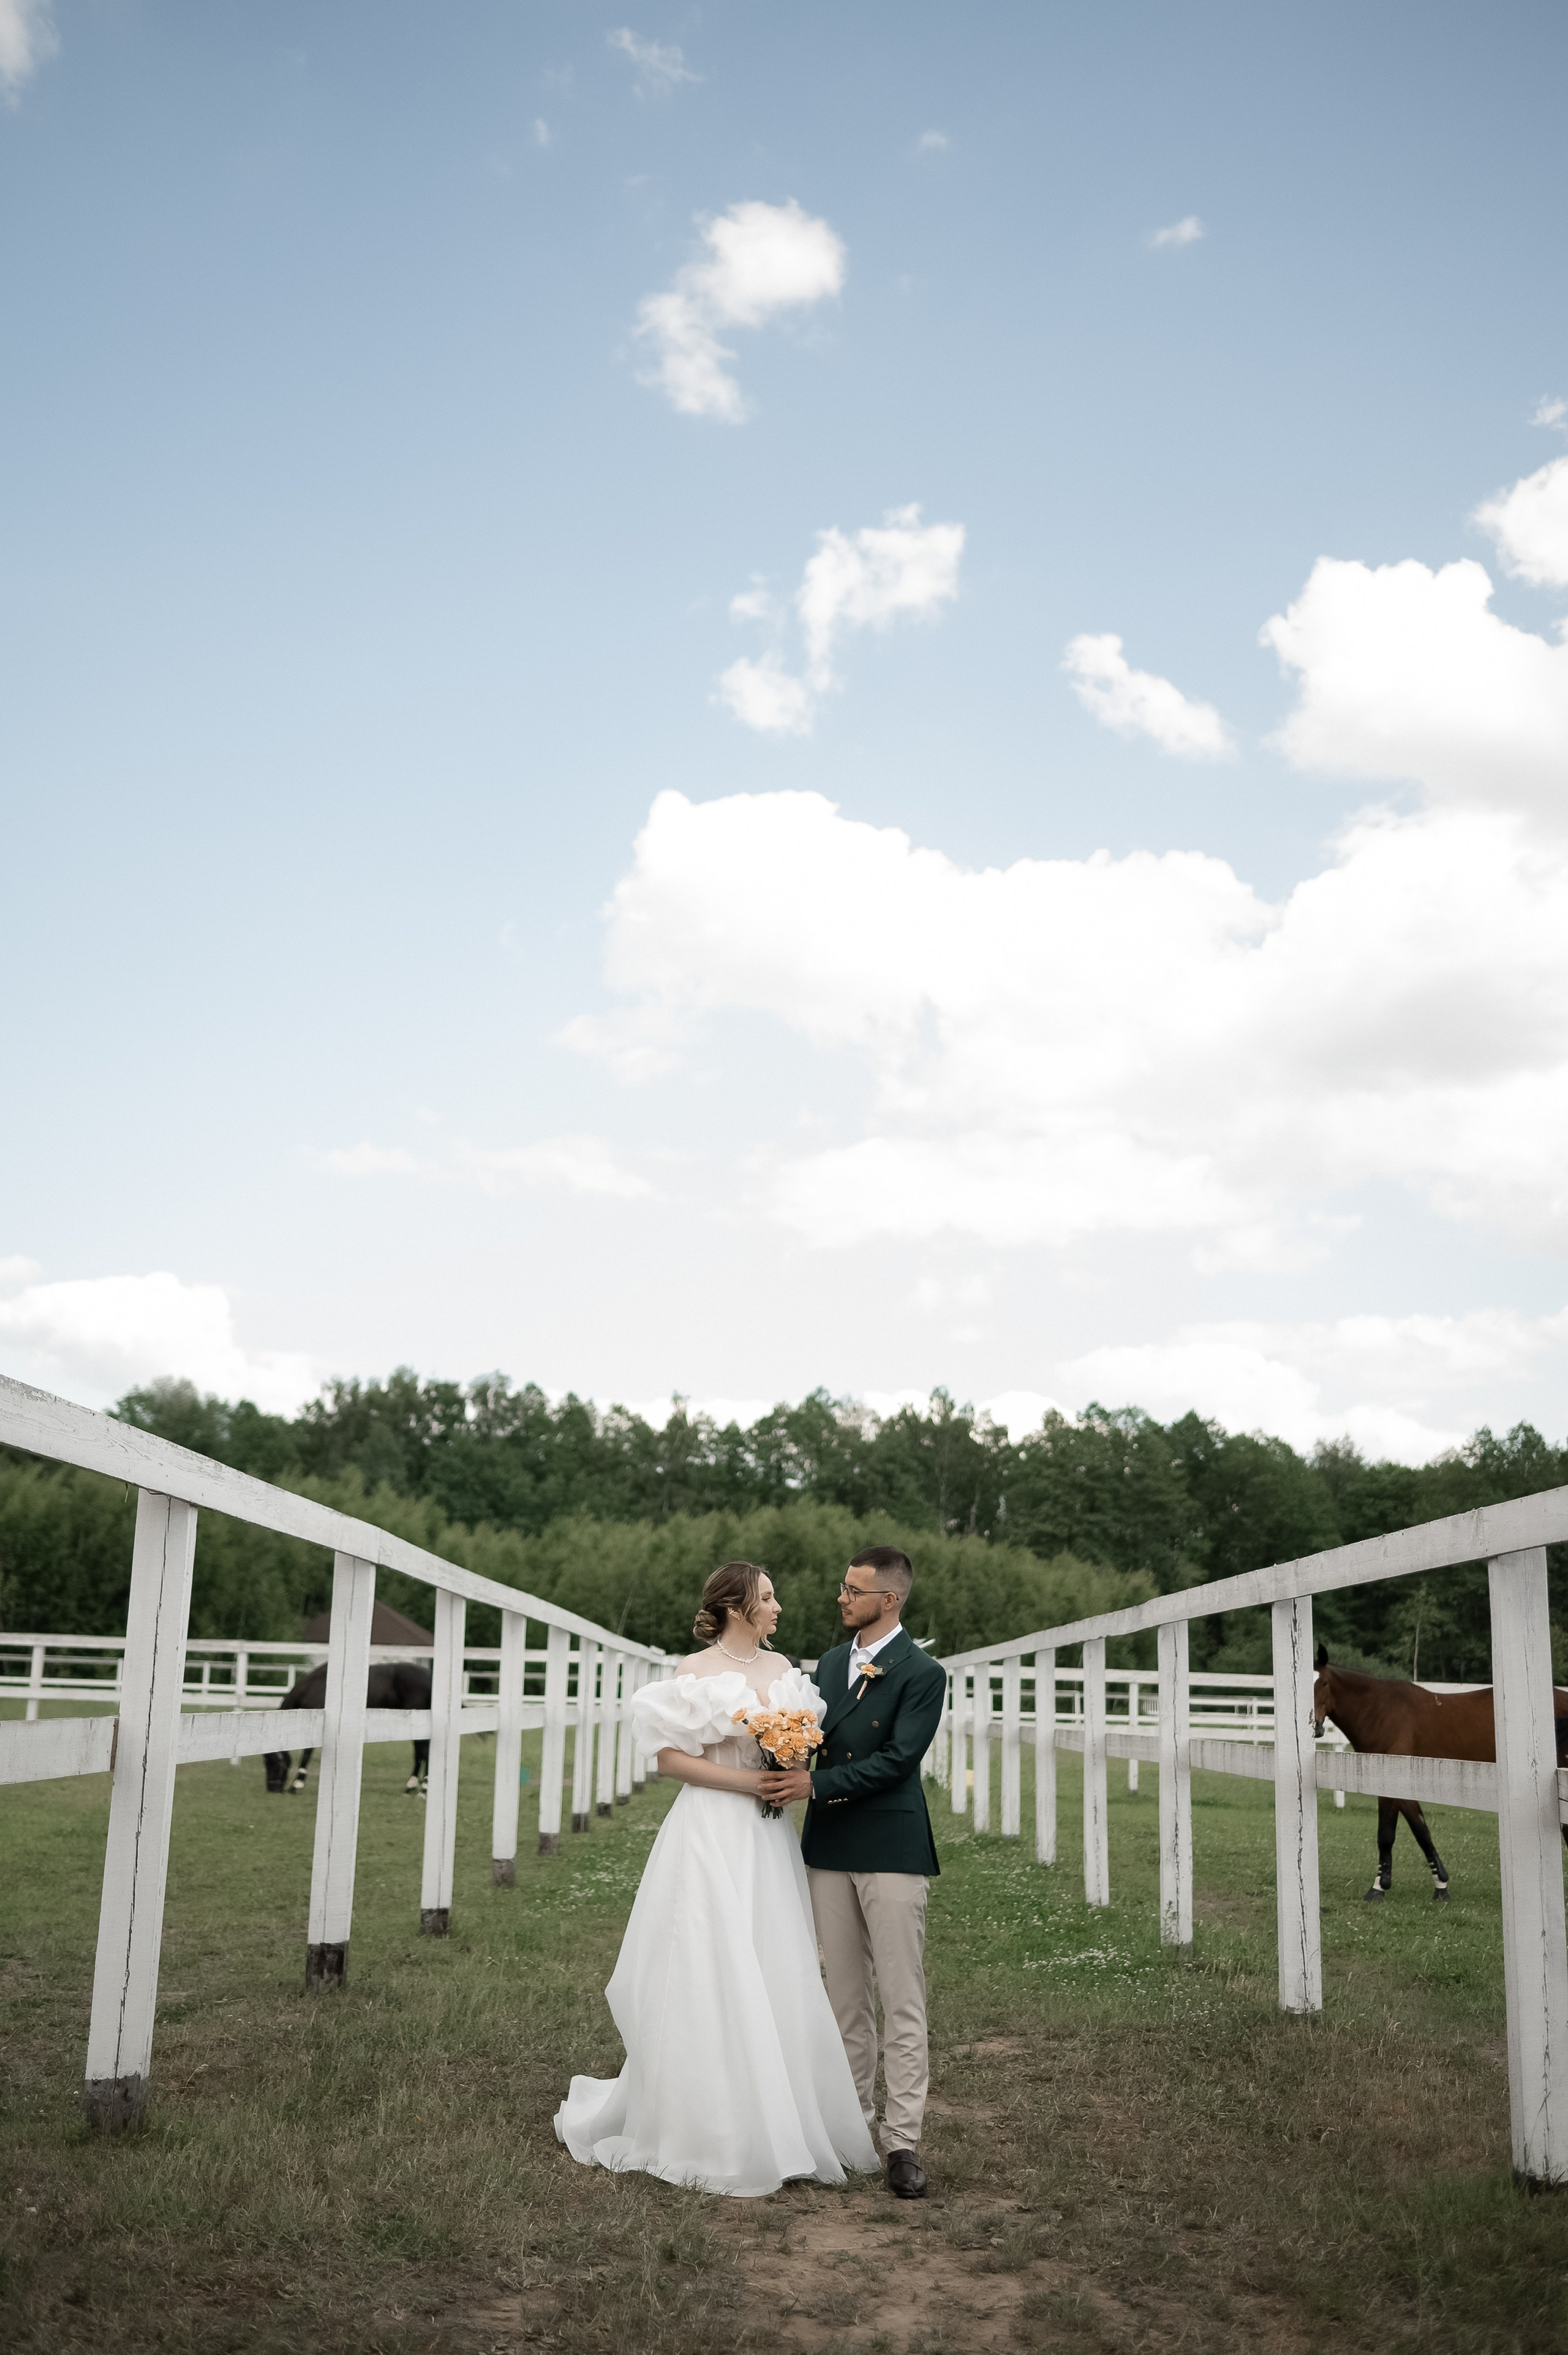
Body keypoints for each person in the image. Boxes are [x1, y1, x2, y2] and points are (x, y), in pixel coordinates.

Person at [553, 1560, 880, 2198]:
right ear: (737, 1607)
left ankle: (783, 2117)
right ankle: (708, 2123)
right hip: (709, 1829)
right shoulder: (693, 1673)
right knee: (710, 1963)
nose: (779, 1605)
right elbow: (672, 1760)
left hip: (765, 1837)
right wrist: (750, 1781)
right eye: (768, 1596)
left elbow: (797, 1747)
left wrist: (788, 1759)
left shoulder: (784, 1671)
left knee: (772, 1961)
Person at [759, 1546, 946, 2201]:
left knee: (899, 1996)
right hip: (831, 1844)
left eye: (852, 1589)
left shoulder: (923, 1672)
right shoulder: (831, 1663)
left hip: (891, 1843)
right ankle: (850, 2129)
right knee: (842, 1997)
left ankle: (901, 2141)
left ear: (887, 1600)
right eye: (843, 1586)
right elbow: (810, 1734)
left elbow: (898, 1760)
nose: (841, 1597)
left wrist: (814, 1782)